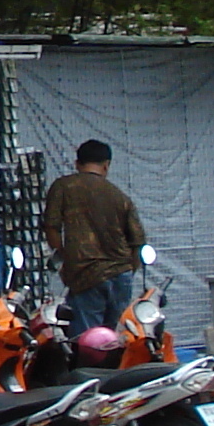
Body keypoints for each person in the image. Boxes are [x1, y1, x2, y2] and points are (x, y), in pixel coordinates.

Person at [43, 138, 149, 339]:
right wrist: (127, 271)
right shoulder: (120, 196)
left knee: (88, 341)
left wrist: (64, 262)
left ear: (77, 164)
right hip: (121, 275)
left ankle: (90, 371)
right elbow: (137, 242)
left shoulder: (64, 187)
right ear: (106, 165)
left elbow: (52, 227)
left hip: (86, 275)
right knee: (115, 340)